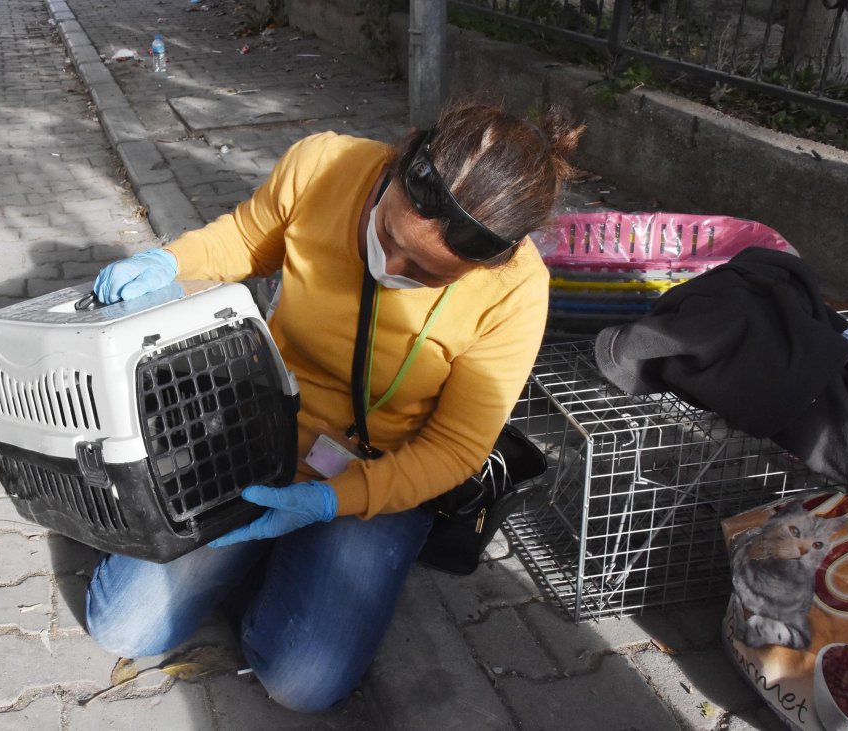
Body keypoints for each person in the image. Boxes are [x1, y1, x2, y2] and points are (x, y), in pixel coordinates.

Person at [85, 102, 583, 712]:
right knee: (122, 627)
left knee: (303, 683)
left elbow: (455, 448)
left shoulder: (517, 288)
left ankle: (275, 565)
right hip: (261, 431)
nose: (392, 268)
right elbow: (246, 239)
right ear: (399, 163)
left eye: (426, 275)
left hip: (383, 474)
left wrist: (333, 500)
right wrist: (171, 261)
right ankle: (260, 557)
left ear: (482, 265)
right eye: (388, 236)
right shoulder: (323, 164)